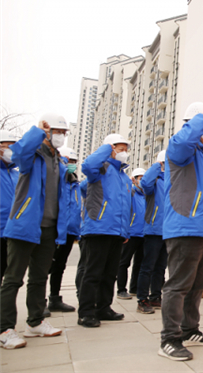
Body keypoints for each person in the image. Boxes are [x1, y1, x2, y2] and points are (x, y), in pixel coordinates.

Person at [0, 114, 69, 349]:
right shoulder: (32, 156)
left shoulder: (59, 160)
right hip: (24, 226)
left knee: (40, 278)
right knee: (12, 279)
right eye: (57, 131)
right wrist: (37, 131)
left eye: (64, 132)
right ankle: (5, 329)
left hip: (49, 228)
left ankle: (35, 322)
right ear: (47, 132)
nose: (61, 136)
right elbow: (18, 154)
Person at [159, 102, 203, 361]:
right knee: (178, 285)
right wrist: (200, 119)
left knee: (197, 285)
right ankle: (170, 339)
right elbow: (183, 142)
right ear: (193, 123)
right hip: (186, 226)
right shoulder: (180, 147)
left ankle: (189, 329)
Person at [77, 133, 132, 328]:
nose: (124, 152)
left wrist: (125, 231)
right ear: (110, 148)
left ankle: (103, 308)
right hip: (99, 228)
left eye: (126, 148)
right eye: (120, 147)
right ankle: (85, 312)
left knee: (110, 273)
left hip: (117, 232)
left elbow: (127, 206)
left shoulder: (124, 177)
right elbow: (87, 167)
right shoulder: (99, 169)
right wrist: (106, 149)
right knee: (93, 272)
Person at [46, 146, 81, 313]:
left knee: (60, 266)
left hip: (70, 232)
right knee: (45, 267)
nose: (71, 164)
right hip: (54, 230)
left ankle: (54, 298)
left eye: (74, 161)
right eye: (68, 160)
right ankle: (38, 301)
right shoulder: (56, 181)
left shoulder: (75, 183)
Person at [137, 151, 168, 314]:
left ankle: (156, 296)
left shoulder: (171, 181)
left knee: (161, 267)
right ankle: (142, 299)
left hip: (168, 231)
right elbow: (144, 183)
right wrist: (157, 164)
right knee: (148, 266)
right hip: (154, 229)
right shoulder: (154, 182)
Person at [116, 167, 146, 300]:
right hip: (131, 233)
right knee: (124, 262)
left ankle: (134, 288)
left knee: (139, 263)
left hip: (143, 234)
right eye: (139, 178)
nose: (142, 181)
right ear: (134, 180)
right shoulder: (131, 192)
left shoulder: (147, 195)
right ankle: (121, 289)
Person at [0, 130, 19, 283]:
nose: (10, 151)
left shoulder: (16, 174)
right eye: (7, 147)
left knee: (9, 274)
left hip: (11, 231)